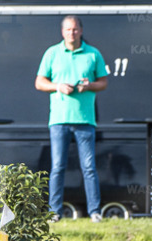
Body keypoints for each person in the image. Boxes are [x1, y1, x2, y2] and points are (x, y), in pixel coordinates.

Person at [35, 15, 109, 222]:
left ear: (81, 31)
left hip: (85, 120)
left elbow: (103, 83)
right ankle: (54, 212)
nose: (72, 33)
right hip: (59, 120)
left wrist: (89, 85)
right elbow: (39, 82)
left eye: (75, 29)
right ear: (62, 32)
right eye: (68, 30)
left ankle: (94, 212)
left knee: (89, 168)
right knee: (58, 167)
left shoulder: (93, 54)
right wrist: (58, 86)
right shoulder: (52, 53)